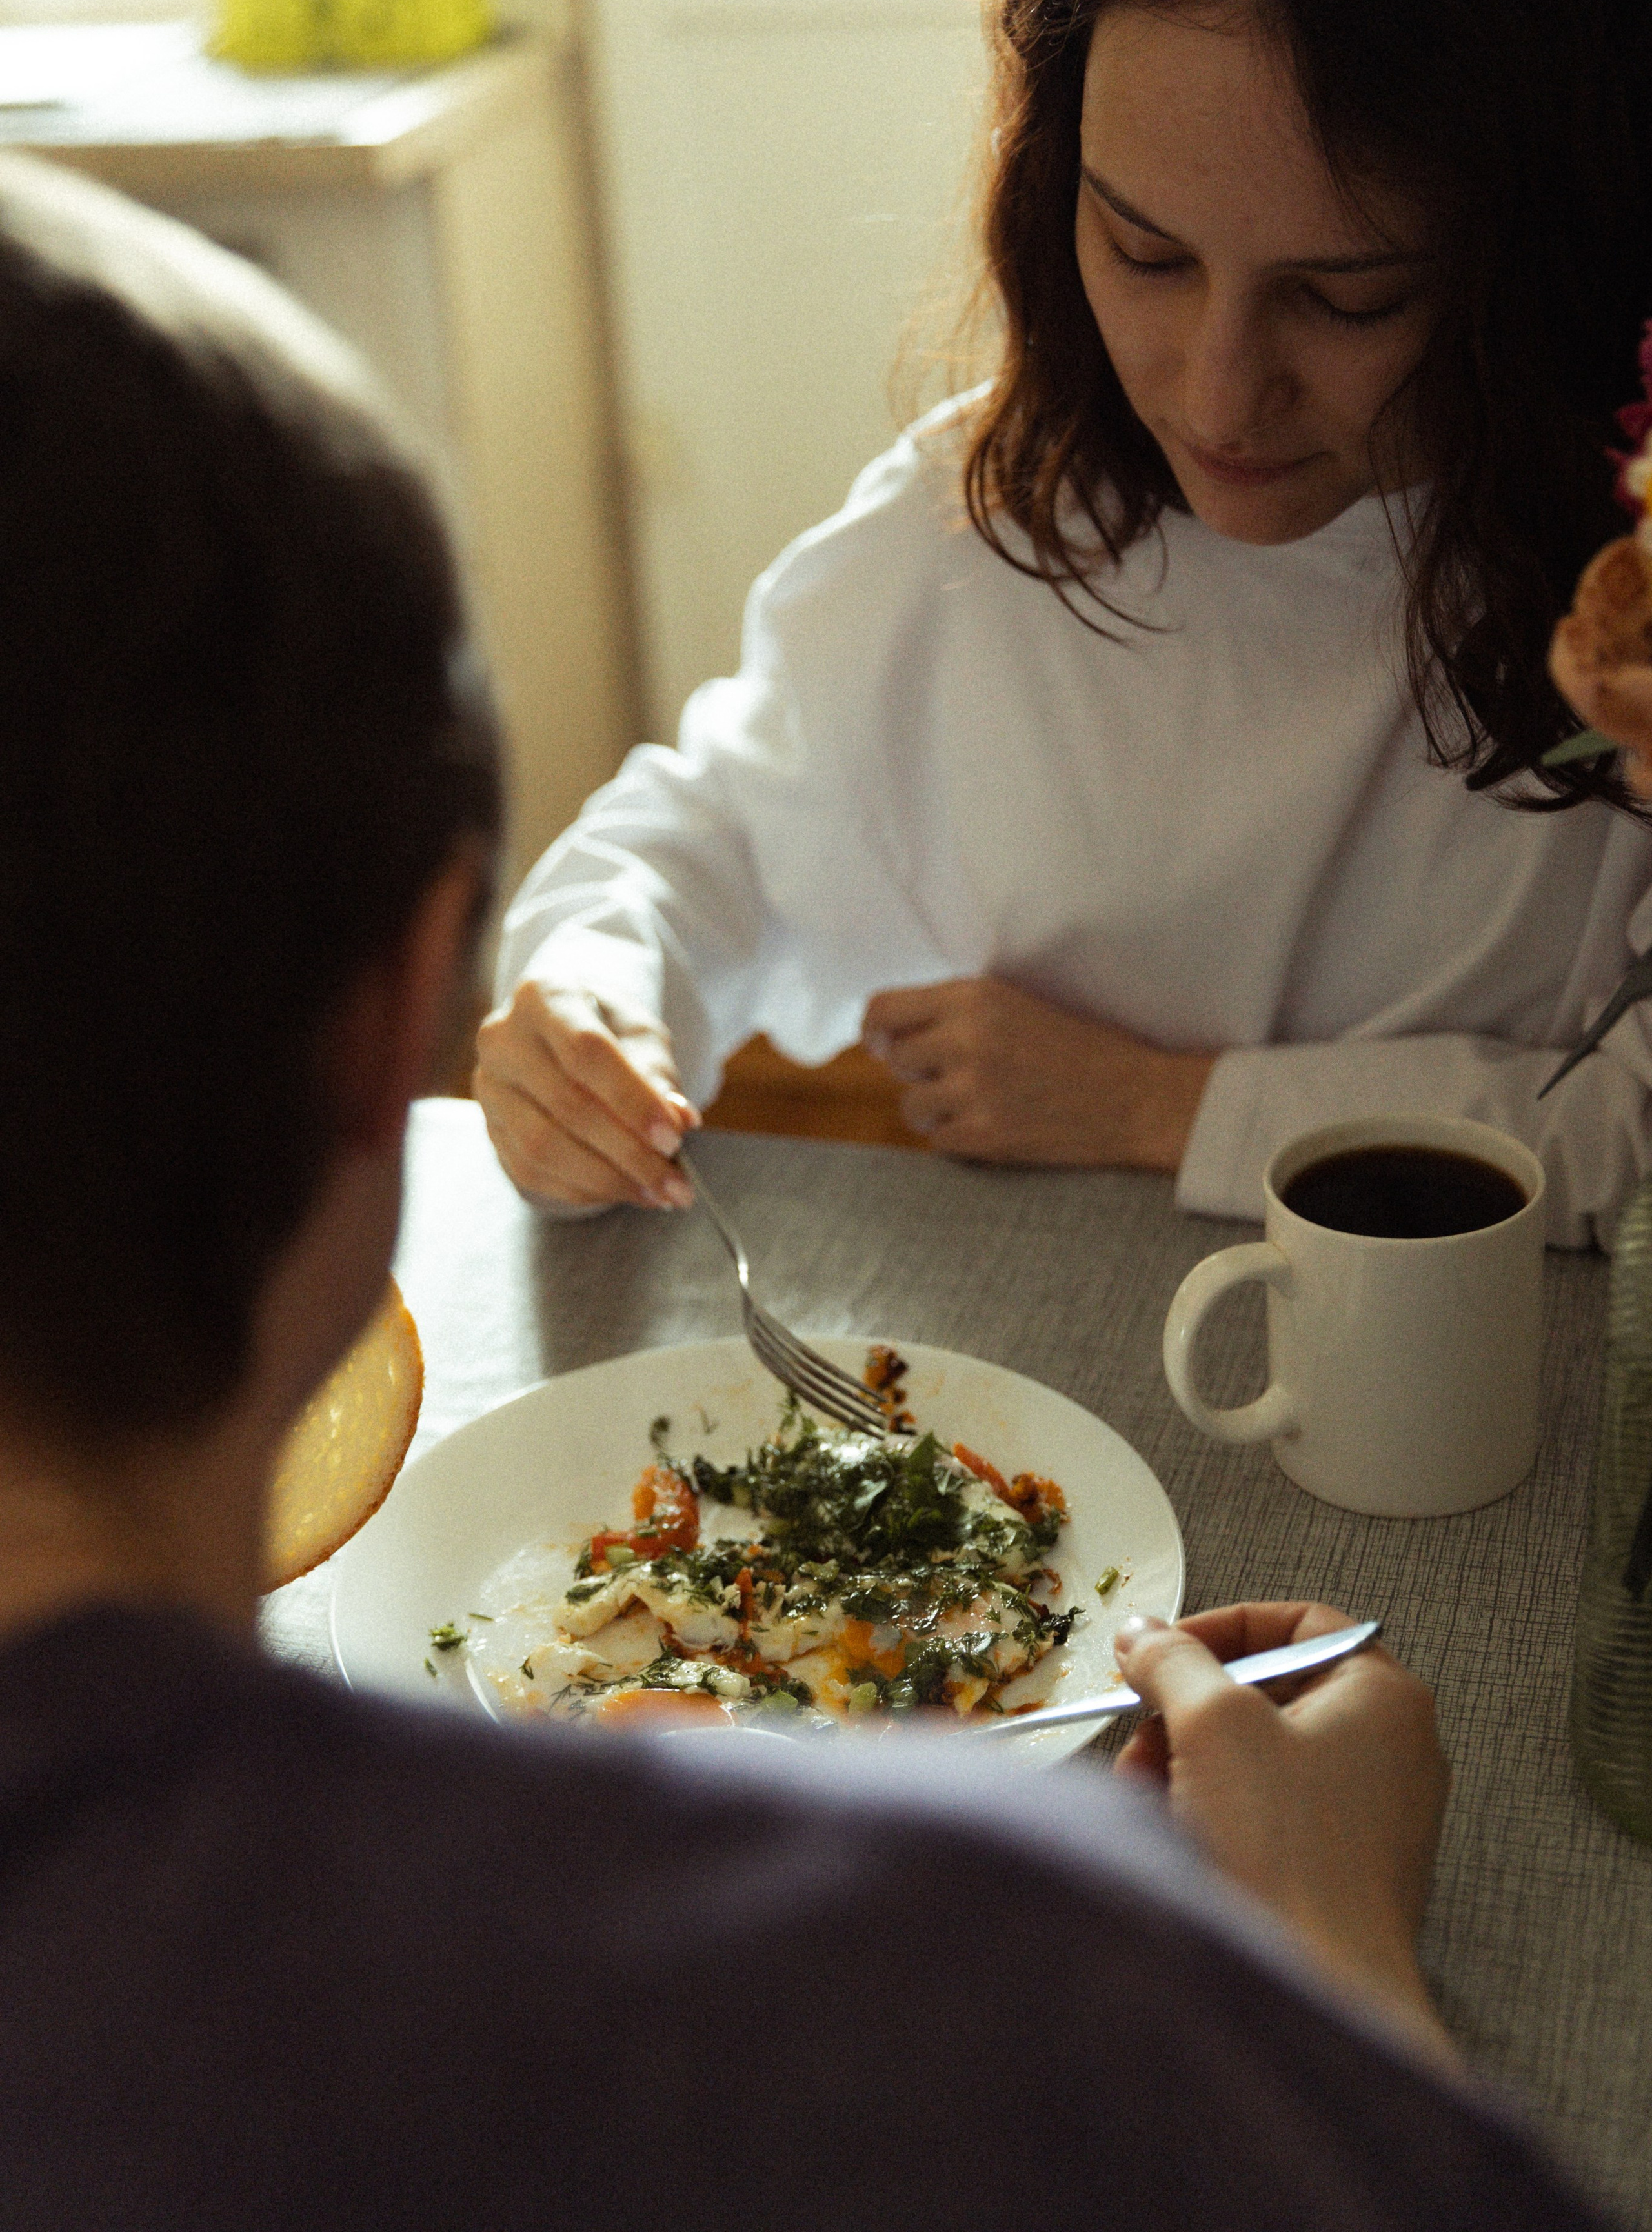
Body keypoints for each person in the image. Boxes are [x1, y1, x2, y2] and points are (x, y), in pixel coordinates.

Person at [0, 156, 1613, 2229]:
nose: (1225, 372)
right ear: (400, 1008)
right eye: (1145, 248)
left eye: (1349, 286)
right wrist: (1335, 1950)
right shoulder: (989, 1968)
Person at [478, 0, 1652, 1251]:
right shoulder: (996, 520)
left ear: (1533, 266)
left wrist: (1154, 1104)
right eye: (1144, 254)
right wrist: (589, 986)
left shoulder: (1615, 619)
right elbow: (713, 836)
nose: (1217, 398)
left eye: (1344, 299)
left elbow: (1627, 1145)